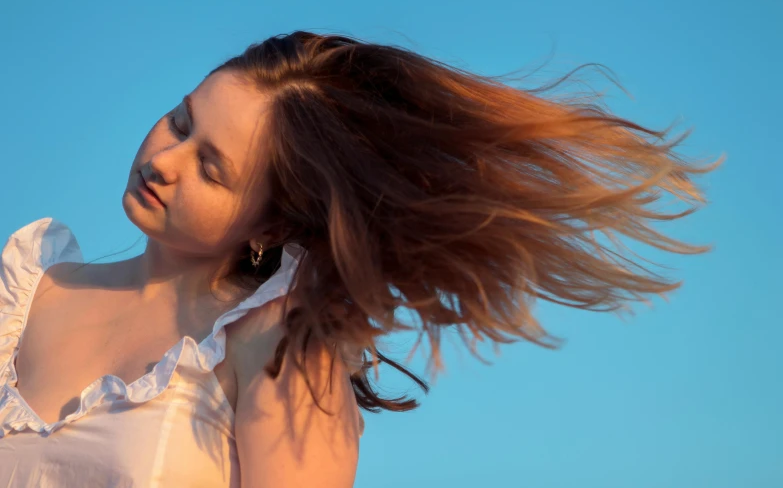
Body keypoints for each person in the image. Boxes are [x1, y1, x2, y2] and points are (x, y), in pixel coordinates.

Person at [0, 31, 720, 487]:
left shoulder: (278, 349)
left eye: (212, 168)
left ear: (273, 219)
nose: (163, 159)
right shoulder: (29, 286)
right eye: (180, 120)